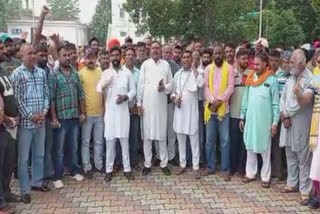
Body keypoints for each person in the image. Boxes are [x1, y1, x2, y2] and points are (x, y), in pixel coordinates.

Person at [11, 44, 50, 203]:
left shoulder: (41, 73)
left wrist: (44, 112)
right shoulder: (17, 74)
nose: (33, 56)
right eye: (30, 53)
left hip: (40, 122)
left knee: (39, 154)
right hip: (26, 125)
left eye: (34, 53)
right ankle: (25, 190)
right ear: (21, 56)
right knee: (23, 158)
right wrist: (30, 116)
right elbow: (17, 99)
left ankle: (37, 182)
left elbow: (47, 94)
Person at [240, 53, 279, 188]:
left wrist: (274, 123)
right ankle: (250, 174)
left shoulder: (272, 80)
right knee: (250, 147)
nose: (254, 67)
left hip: (264, 122)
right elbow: (245, 99)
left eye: (257, 64)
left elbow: (275, 104)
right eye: (254, 64)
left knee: (265, 151)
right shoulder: (250, 78)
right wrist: (242, 116)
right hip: (250, 120)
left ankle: (265, 177)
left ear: (264, 64)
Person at [279, 49, 314, 206]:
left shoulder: (310, 79)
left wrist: (287, 113)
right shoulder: (290, 78)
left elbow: (302, 103)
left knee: (303, 156)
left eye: (292, 62)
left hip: (301, 122)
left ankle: (305, 190)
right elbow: (283, 98)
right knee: (290, 152)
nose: (289, 64)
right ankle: (292, 183)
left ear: (301, 63)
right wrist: (283, 113)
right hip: (287, 121)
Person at [49, 43, 85, 189]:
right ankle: (57, 176)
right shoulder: (54, 75)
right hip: (61, 118)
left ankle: (74, 171)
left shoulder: (75, 73)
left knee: (74, 146)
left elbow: (80, 95)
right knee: (59, 149)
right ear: (58, 56)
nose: (67, 58)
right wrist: (54, 118)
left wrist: (82, 112)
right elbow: (51, 98)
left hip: (74, 116)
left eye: (69, 55)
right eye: (64, 55)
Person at [96, 46, 135, 182]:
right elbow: (98, 89)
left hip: (123, 113)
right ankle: (109, 170)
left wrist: (125, 97)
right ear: (110, 57)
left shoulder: (127, 73)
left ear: (121, 56)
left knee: (125, 142)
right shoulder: (106, 73)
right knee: (110, 142)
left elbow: (133, 91)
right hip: (111, 114)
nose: (114, 58)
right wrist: (105, 85)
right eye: (112, 56)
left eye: (117, 55)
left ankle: (127, 169)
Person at [137, 41, 173, 176]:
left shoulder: (166, 65)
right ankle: (147, 163)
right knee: (147, 136)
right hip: (147, 106)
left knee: (162, 135)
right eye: (153, 48)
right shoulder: (145, 65)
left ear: (161, 50)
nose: (156, 50)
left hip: (161, 106)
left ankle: (164, 163)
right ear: (149, 50)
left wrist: (164, 88)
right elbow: (140, 85)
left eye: (158, 48)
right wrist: (139, 103)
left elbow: (171, 84)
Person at [203, 44, 234, 181]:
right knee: (209, 141)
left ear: (224, 55)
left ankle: (225, 169)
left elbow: (230, 88)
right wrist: (212, 101)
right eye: (215, 53)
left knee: (225, 141)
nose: (218, 56)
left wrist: (218, 101)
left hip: (223, 111)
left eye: (220, 53)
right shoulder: (208, 69)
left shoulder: (230, 69)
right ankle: (210, 167)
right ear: (212, 55)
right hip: (210, 111)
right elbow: (206, 88)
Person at [172, 50, 204, 179]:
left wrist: (194, 69)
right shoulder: (177, 74)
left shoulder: (199, 73)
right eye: (184, 57)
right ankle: (182, 163)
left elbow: (200, 84)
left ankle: (196, 167)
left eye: (188, 58)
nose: (185, 59)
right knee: (180, 139)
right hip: (179, 112)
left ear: (192, 59)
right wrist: (175, 99)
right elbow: (173, 92)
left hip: (191, 112)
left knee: (194, 140)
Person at [0, 40, 20, 213]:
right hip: (3, 125)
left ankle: (6, 193)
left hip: (10, 125)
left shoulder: (4, 70)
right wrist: (6, 119)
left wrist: (16, 115)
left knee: (8, 162)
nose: (2, 51)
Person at [79, 48, 104, 178]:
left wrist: (104, 108)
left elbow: (104, 92)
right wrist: (82, 112)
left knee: (99, 141)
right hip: (87, 114)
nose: (90, 60)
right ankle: (87, 166)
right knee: (86, 142)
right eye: (88, 57)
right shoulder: (81, 74)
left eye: (92, 57)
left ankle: (99, 165)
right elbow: (79, 95)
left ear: (96, 58)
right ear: (84, 58)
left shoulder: (101, 72)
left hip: (100, 113)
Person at [229, 49, 251, 177]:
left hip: (247, 115)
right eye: (242, 59)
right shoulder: (232, 73)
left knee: (244, 144)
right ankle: (232, 168)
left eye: (246, 59)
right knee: (234, 142)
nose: (245, 61)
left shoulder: (251, 74)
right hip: (233, 113)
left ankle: (242, 169)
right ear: (237, 60)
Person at [34, 43, 54, 180]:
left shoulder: (49, 71)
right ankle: (36, 175)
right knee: (35, 149)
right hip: (33, 117)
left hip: (46, 115)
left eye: (46, 55)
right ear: (35, 56)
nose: (44, 58)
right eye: (41, 55)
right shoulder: (32, 71)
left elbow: (49, 95)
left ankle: (46, 173)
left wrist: (49, 113)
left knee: (47, 147)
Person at [268, 49, 287, 181]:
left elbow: (283, 97)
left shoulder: (284, 75)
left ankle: (278, 170)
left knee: (278, 144)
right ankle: (267, 169)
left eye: (276, 61)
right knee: (268, 142)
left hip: (279, 114)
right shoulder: (266, 74)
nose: (273, 63)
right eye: (271, 60)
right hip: (267, 113)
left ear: (279, 61)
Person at [124, 47, 141, 170]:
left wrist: (137, 105)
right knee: (123, 136)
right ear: (124, 57)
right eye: (127, 54)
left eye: (132, 55)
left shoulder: (139, 73)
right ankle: (122, 161)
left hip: (134, 110)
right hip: (122, 111)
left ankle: (134, 161)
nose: (130, 56)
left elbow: (140, 91)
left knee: (134, 137)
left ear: (134, 57)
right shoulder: (120, 72)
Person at [309, 54, 320, 209]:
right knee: (317, 159)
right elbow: (311, 94)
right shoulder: (317, 73)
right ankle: (317, 194)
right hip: (318, 119)